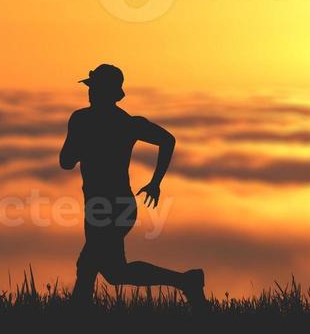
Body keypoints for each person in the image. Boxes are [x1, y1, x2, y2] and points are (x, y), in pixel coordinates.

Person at [61, 64, 206, 308]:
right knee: (114, 272)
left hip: (110, 206)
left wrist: (155, 182)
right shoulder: (125, 123)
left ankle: (77, 313)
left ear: (104, 92)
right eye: (91, 88)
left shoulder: (83, 120)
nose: (90, 93)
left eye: (94, 88)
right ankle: (186, 281)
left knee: (87, 265)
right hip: (107, 205)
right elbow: (167, 140)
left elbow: (66, 161)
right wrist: (155, 182)